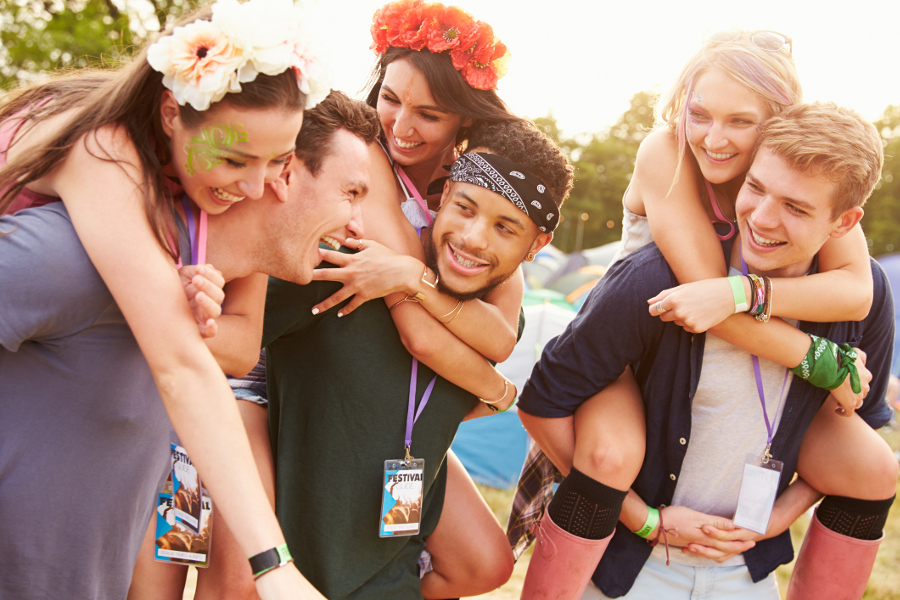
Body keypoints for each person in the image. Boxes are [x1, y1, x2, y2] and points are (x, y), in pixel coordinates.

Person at [507, 31, 881, 599]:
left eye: (740, 121)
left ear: (776, 127)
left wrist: (778, 515)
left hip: (718, 307)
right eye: (698, 113)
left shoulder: (789, 179)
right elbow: (706, 296)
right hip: (638, 350)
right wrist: (823, 361)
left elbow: (856, 292)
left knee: (876, 467)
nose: (714, 136)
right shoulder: (669, 152)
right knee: (611, 452)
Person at [0, 1, 329, 598]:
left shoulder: (173, 181)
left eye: (277, 162)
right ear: (172, 112)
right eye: (235, 159)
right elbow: (180, 367)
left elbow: (223, 345)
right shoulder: (106, 152)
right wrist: (272, 564)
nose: (256, 187)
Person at [262, 117, 573, 599]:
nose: (473, 238)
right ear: (443, 195)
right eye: (465, 207)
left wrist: (498, 394)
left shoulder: (493, 323)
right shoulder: (348, 268)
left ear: (538, 246)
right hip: (284, 574)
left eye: (505, 227)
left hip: (393, 575)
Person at [126, 91, 380, 600]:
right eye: (350, 192)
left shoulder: (255, 249)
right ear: (286, 171)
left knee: (235, 574)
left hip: (202, 414)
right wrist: (161, 309)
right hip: (151, 413)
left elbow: (242, 350)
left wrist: (183, 322)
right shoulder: (144, 218)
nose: (359, 224)